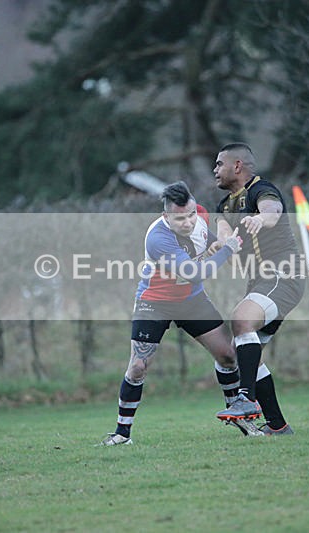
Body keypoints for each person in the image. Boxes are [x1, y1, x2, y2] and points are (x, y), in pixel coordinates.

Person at [100, 180, 260, 446]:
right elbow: (195, 273)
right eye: (179, 218)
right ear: (166, 216)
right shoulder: (158, 238)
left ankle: (240, 418)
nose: (188, 222)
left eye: (191, 215)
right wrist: (228, 249)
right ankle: (121, 434)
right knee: (138, 367)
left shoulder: (200, 215)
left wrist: (220, 245)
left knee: (228, 355)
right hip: (155, 301)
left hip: (191, 299)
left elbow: (205, 241)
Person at [212, 143, 306, 436]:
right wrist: (221, 245)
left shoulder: (261, 190)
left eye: (219, 164)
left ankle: (246, 400)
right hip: (261, 281)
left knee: (241, 320)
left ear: (237, 166)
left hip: (282, 274)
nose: (214, 170)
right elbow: (225, 233)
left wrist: (259, 218)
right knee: (244, 352)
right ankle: (278, 425)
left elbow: (272, 211)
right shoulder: (225, 206)